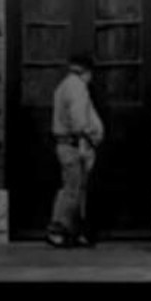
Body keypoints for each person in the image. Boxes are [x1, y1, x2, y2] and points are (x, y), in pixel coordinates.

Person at [48, 52, 105, 248]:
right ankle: (58, 230)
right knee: (73, 190)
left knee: (72, 188)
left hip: (66, 144)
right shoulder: (77, 87)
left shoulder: (63, 86)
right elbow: (79, 120)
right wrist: (88, 139)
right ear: (86, 71)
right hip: (75, 145)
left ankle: (72, 231)